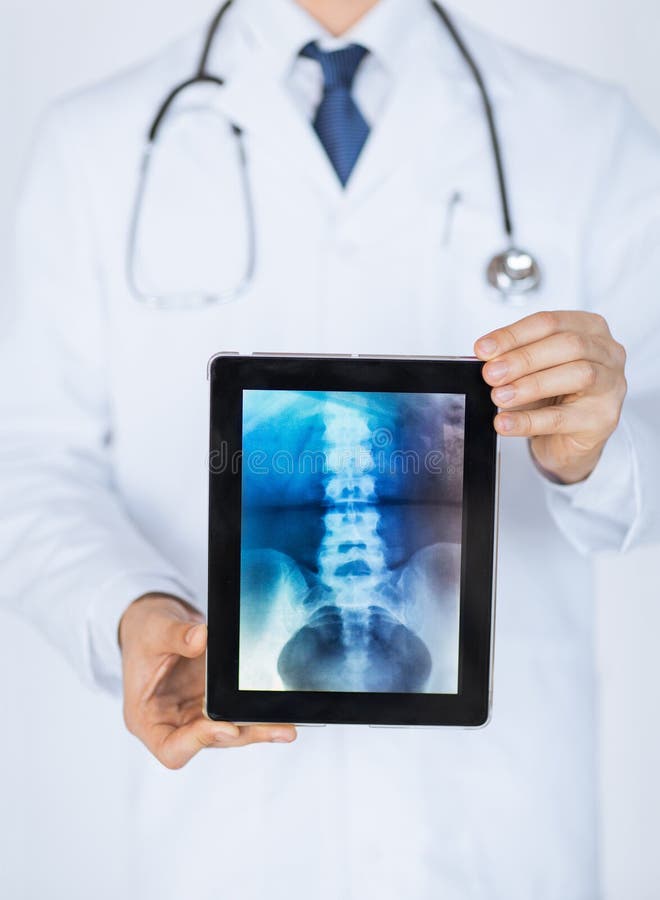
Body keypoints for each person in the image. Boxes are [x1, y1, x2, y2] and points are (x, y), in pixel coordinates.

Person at [1, 0, 659, 896]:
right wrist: (131, 607)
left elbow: (650, 448)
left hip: (499, 833)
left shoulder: (588, 132)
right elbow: (31, 456)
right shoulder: (97, 142)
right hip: (229, 835)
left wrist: (592, 450)